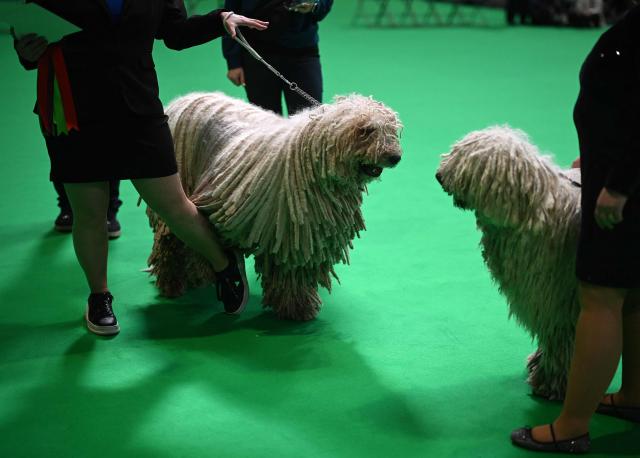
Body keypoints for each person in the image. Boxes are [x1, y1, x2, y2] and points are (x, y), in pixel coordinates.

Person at [14, 0, 268, 336]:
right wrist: (28, 52)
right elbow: (36, 36)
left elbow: (175, 33)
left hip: (137, 106)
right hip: (74, 109)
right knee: (89, 215)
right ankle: (99, 296)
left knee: (173, 205)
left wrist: (220, 20)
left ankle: (223, 264)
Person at [511, 4, 640, 454]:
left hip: (623, 190)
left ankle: (571, 425)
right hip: (615, 170)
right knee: (632, 292)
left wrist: (620, 183)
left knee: (601, 296)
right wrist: (598, 153)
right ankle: (632, 396)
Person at [222, 0, 333, 115]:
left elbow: (324, 5)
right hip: (257, 55)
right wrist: (233, 62)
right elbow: (230, 15)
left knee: (310, 119)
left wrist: (315, 6)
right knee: (264, 124)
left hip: (303, 53)